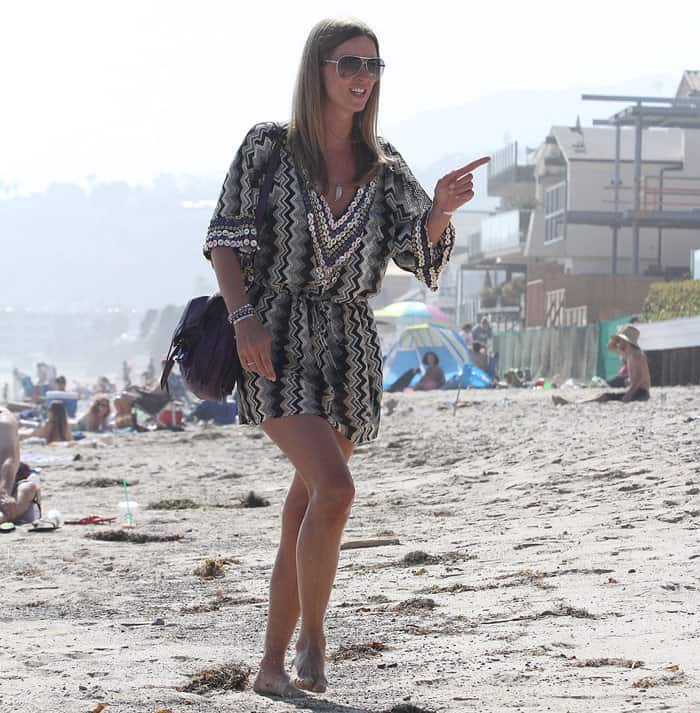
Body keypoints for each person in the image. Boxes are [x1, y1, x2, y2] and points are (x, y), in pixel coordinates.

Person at [204, 18, 490, 697]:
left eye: (374, 65)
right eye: (349, 63)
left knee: (309, 504)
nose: (364, 76)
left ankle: (271, 666)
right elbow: (225, 238)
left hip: (351, 348)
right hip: (272, 332)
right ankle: (314, 637)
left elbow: (419, 255)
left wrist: (442, 211)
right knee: (334, 489)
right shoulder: (267, 148)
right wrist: (242, 315)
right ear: (318, 71)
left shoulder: (384, 167)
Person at [553, 324, 650, 405]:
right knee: (604, 395)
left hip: (640, 393)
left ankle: (572, 403)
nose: (618, 342)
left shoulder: (636, 354)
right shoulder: (628, 352)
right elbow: (610, 346)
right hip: (637, 391)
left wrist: (629, 395)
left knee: (604, 396)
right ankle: (573, 402)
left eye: (620, 340)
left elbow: (639, 378)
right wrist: (618, 336)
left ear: (626, 341)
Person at [0, 407, 42, 526]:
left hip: (8, 481)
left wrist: (4, 492)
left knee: (27, 489)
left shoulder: (4, 420)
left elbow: (9, 459)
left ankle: (3, 517)